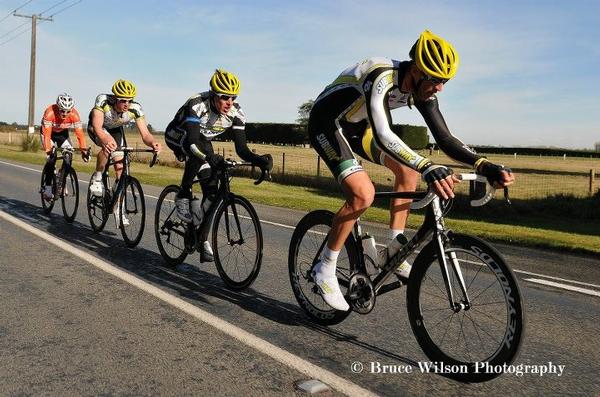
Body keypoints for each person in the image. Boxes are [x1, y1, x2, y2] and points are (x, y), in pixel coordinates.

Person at [308, 30, 515, 311]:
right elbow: (384, 133)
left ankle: (393, 249)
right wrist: (428, 165)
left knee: (409, 171)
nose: (440, 87)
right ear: (416, 71)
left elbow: (445, 139)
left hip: (358, 129)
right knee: (363, 195)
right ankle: (325, 268)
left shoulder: (423, 90)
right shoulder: (380, 75)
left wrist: (485, 164)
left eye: (445, 81)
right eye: (436, 79)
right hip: (327, 124)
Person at [164, 69, 273, 262]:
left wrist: (260, 161)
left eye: (233, 97)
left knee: (213, 192)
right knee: (199, 155)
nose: (229, 102)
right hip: (179, 135)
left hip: (202, 140)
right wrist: (210, 157)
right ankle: (183, 192)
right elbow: (191, 142)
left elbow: (242, 149)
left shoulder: (237, 112)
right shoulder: (197, 104)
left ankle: (200, 235)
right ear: (213, 95)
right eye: (224, 97)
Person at [87, 79, 161, 226]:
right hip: (99, 128)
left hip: (115, 130)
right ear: (115, 98)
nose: (127, 104)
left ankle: (118, 208)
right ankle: (97, 177)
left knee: (121, 170)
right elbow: (97, 127)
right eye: (123, 100)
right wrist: (105, 139)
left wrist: (153, 142)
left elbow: (145, 134)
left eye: (129, 100)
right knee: (107, 147)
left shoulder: (136, 109)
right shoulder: (103, 101)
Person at [40, 93, 90, 200]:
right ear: (58, 107)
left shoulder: (75, 115)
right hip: (48, 134)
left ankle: (61, 178)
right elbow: (47, 134)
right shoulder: (50, 113)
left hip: (62, 134)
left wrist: (84, 151)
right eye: (62, 110)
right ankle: (48, 187)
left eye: (68, 111)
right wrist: (48, 151)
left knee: (69, 155)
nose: (65, 113)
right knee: (52, 158)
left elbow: (80, 135)